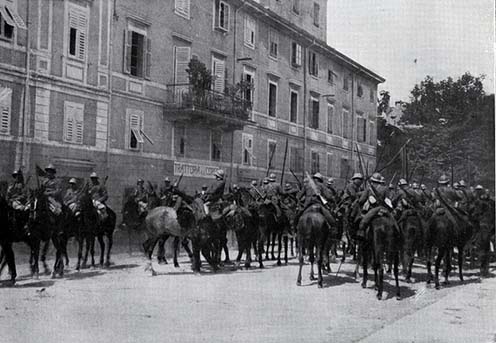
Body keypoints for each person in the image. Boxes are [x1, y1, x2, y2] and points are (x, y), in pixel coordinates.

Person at [358, 172, 398, 238]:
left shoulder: (369, 189)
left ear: (372, 181)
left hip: (372, 210)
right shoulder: (385, 188)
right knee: (394, 222)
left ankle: (361, 233)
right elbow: (388, 200)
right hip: (383, 209)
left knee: (363, 222)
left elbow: (361, 201)